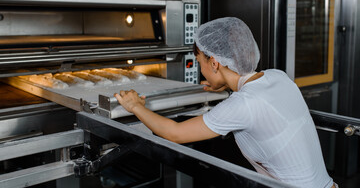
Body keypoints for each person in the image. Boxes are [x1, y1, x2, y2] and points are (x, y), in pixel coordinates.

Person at [114, 17, 336, 188]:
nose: (200, 69)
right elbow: (258, 107)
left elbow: (175, 134)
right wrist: (226, 84)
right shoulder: (278, 76)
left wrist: (135, 106)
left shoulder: (243, 105)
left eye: (200, 62)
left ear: (214, 63)